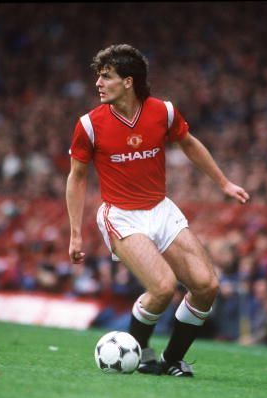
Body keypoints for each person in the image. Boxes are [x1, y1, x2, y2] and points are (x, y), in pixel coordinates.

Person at [66, 44, 249, 377]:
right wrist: (75, 233)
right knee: (163, 287)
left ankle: (170, 360)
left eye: (106, 77)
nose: (98, 84)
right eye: (98, 77)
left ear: (129, 81)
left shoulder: (162, 112)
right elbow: (77, 177)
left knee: (207, 286)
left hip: (161, 210)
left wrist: (223, 183)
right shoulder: (89, 125)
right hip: (120, 214)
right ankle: (138, 350)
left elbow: (189, 142)